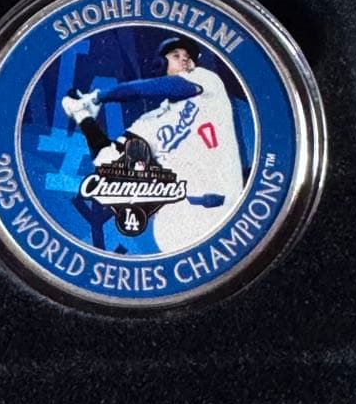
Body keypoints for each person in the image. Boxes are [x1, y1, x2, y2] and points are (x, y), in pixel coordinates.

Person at [62, 35, 243, 253]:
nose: (185, 59)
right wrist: (84, 118)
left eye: (188, 56)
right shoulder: (148, 122)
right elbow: (108, 160)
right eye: (176, 55)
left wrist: (98, 96)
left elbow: (163, 87)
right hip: (175, 222)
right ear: (160, 64)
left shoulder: (207, 81)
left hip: (224, 208)